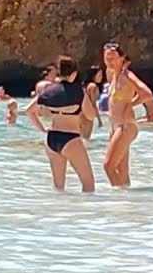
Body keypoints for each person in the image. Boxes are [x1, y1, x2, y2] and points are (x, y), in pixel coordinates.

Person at [25, 56, 98, 192]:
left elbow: (29, 111)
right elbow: (91, 115)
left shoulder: (49, 90)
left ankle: (58, 211)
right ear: (74, 74)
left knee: (58, 187)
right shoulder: (79, 92)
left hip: (51, 138)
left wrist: (42, 129)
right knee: (88, 184)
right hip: (71, 138)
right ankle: (87, 212)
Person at [103, 43, 153, 188]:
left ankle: (117, 199)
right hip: (115, 126)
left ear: (122, 58)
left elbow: (147, 94)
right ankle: (127, 202)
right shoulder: (113, 75)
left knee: (108, 166)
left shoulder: (127, 75)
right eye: (107, 58)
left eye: (113, 58)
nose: (109, 61)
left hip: (125, 125)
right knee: (122, 170)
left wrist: (130, 104)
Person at [81, 66, 106, 139]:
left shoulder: (85, 85)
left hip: (81, 112)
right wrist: (99, 119)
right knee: (86, 137)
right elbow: (93, 104)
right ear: (94, 75)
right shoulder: (93, 86)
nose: (101, 77)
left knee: (81, 136)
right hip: (88, 113)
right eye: (99, 75)